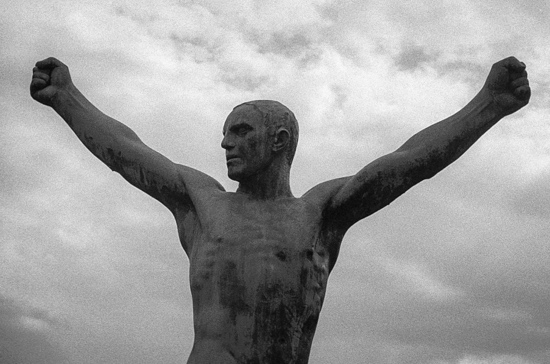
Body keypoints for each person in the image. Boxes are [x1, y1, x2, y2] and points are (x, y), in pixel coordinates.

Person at [30, 56, 530, 364]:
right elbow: (127, 151)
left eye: (240, 130)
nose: (224, 141)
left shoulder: (320, 213)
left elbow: (408, 163)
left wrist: (488, 104)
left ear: (280, 140)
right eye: (225, 131)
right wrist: (67, 97)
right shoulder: (203, 202)